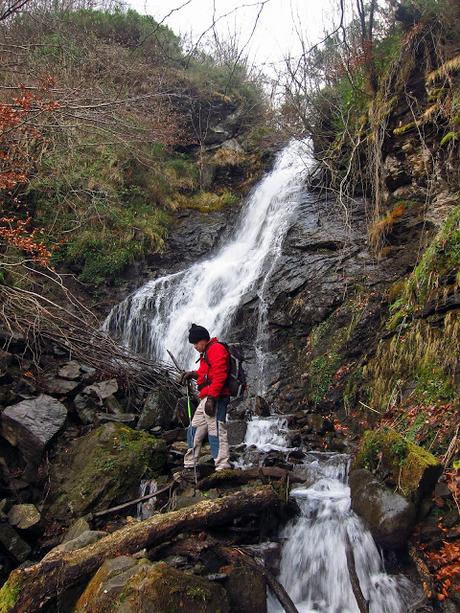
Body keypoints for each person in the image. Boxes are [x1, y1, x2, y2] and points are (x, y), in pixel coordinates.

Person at [181, 323, 231, 472]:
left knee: (215, 429)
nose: (195, 346)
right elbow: (205, 374)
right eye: (193, 344)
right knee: (194, 429)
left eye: (196, 343)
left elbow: (220, 375)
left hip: (216, 397)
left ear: (204, 339)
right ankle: (190, 463)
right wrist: (193, 374)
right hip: (206, 397)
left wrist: (212, 398)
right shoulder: (206, 353)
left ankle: (222, 466)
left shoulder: (216, 349)